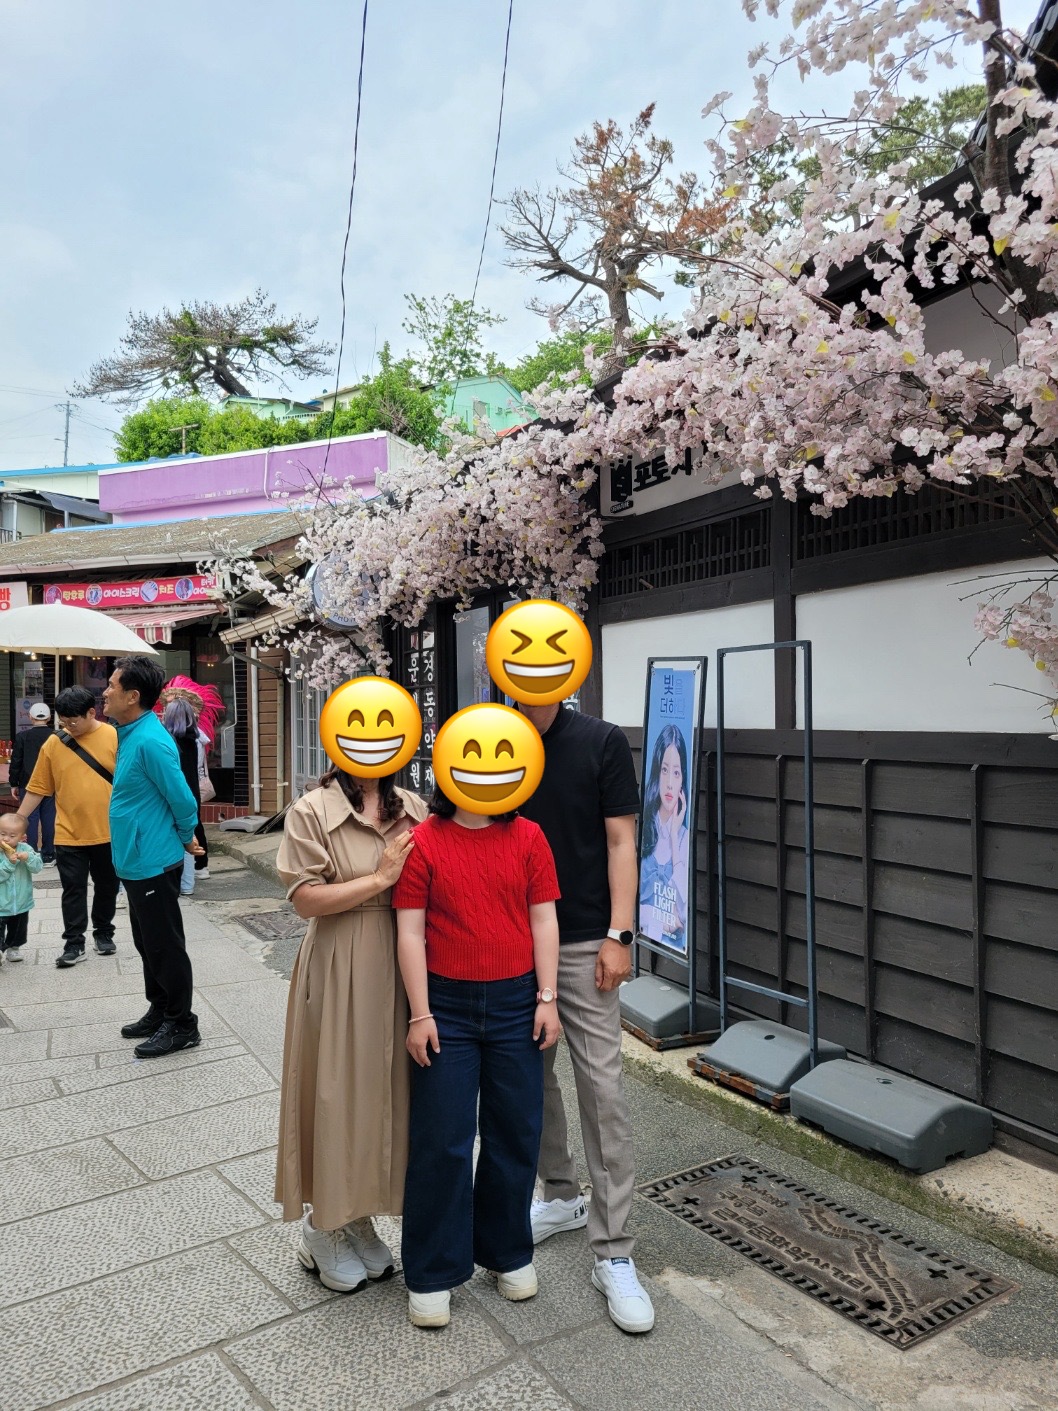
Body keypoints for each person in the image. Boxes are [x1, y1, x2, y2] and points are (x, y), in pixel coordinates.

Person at [394, 786, 562, 1331]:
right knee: (442, 1137)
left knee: (515, 1130)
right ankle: (432, 1271)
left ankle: (507, 1251)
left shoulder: (530, 837)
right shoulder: (422, 841)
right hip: (445, 1006)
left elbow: (544, 919)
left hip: (518, 1002)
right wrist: (420, 1013)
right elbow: (409, 931)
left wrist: (547, 998)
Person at [518, 696, 656, 1335]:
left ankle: (614, 1251)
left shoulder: (601, 741)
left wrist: (620, 935)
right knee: (530, 1081)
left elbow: (623, 839)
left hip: (584, 942)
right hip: (512, 942)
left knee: (602, 1090)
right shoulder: (492, 734)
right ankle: (560, 1194)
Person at [275, 764, 427, 1295]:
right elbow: (304, 899)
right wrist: (379, 880)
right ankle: (323, 1227)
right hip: (341, 957)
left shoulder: (412, 806)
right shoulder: (312, 809)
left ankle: (357, 1215)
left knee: (386, 1093)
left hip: (403, 959)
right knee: (336, 1091)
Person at [104, 656, 203, 1059]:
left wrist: (186, 836)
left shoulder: (150, 740)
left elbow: (183, 798)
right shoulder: (129, 732)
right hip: (135, 858)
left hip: (153, 859)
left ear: (132, 696)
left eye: (112, 685)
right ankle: (160, 1008)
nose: (105, 692)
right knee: (147, 942)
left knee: (164, 945)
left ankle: (182, 1024)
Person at [16, 686, 120, 969]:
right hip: (68, 832)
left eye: (73, 721)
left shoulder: (114, 736)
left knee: (107, 886)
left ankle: (104, 933)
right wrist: (20, 819)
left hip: (109, 831)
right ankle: (74, 942)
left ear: (91, 712)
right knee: (72, 890)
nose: (68, 727)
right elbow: (38, 787)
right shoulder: (54, 744)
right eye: (63, 721)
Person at [638, 724, 690, 952]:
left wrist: (674, 839)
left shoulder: (684, 838)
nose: (669, 783)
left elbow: (683, 918)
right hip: (641, 943)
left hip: (674, 950)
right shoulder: (644, 827)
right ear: (656, 773)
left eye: (676, 773)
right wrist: (657, 918)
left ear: (682, 780)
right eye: (665, 770)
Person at [161, 698, 202, 897]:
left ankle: (176, 883)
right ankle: (188, 884)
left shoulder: (167, 742)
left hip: (175, 792)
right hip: (192, 792)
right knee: (188, 835)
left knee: (172, 836)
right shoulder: (195, 740)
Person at [9, 702, 56, 864]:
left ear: (30, 717)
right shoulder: (56, 736)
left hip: (27, 783)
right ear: (49, 718)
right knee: (49, 818)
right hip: (51, 783)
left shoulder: (22, 737)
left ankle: (31, 854)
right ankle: (49, 854)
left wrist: (13, 783)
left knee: (30, 818)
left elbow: (16, 761)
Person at [0, 813, 43, 963]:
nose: (6, 839)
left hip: (21, 901)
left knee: (18, 928)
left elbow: (37, 867)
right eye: (2, 834)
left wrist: (29, 858)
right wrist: (9, 864)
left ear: (22, 837)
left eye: (12, 836)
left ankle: (14, 948)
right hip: (1, 902)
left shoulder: (26, 849)